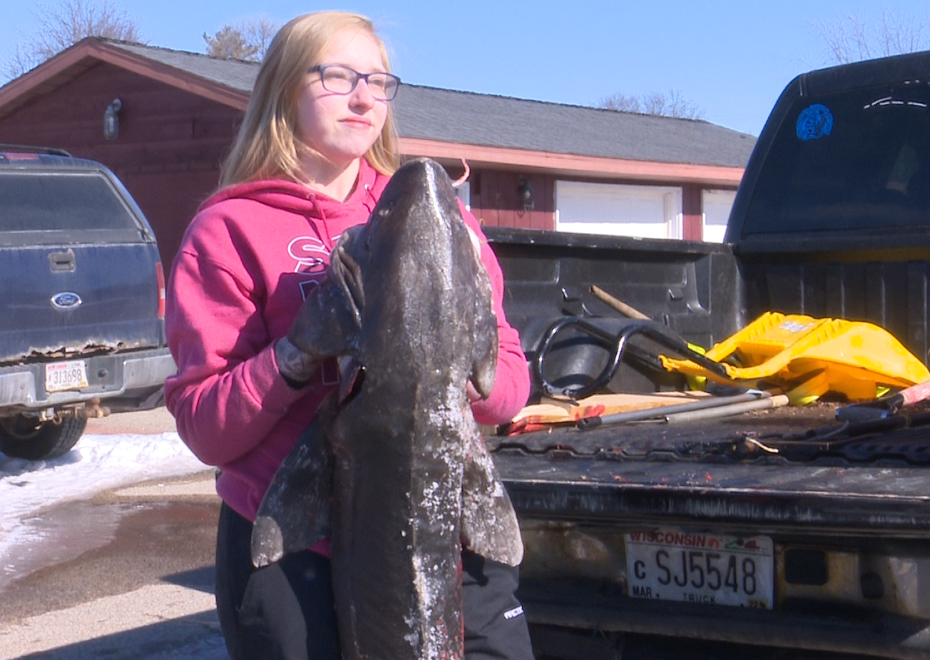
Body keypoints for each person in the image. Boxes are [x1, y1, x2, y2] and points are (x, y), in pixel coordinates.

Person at [164, 11, 534, 660]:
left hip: (442, 526)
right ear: (284, 90)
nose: (364, 97)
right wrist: (295, 355)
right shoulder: (228, 231)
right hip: (290, 536)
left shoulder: (444, 226)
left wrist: (468, 367)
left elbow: (507, 392)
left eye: (378, 81)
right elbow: (205, 429)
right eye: (337, 76)